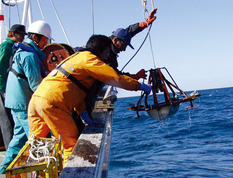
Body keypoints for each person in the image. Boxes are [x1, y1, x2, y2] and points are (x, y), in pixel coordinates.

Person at [27, 34, 152, 166]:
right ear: (101, 50)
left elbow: (73, 88)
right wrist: (140, 86)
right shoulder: (90, 60)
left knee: (34, 149)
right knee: (71, 146)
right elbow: (115, 78)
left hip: (36, 100)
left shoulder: (76, 57)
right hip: (53, 103)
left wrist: (83, 114)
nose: (107, 57)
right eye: (107, 52)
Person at [0, 20, 53, 174]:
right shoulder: (29, 55)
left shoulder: (22, 50)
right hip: (23, 103)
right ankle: (42, 171)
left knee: (19, 137)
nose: (46, 43)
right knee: (37, 137)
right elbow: (36, 85)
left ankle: (4, 168)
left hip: (14, 101)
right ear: (36, 38)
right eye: (45, 39)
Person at [109, 8, 157, 79]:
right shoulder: (105, 53)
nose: (124, 49)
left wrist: (145, 23)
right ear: (115, 40)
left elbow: (128, 32)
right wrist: (135, 76)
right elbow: (116, 76)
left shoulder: (111, 40)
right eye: (124, 45)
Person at [0, 24, 26, 151]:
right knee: (6, 120)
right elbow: (1, 67)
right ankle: (10, 147)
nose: (23, 38)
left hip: (6, 86)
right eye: (21, 35)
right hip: (3, 86)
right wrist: (3, 88)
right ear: (14, 33)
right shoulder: (6, 46)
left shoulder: (13, 46)